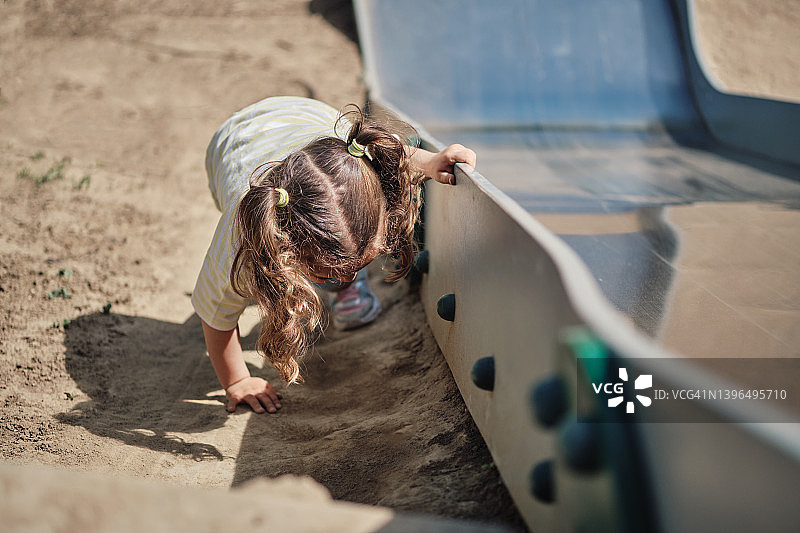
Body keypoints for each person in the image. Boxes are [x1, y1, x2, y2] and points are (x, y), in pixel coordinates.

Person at [192, 96, 476, 414]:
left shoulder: (358, 162)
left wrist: (432, 160)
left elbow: (389, 155)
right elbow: (216, 316)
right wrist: (236, 380)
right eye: (329, 272)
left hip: (310, 115)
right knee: (256, 277)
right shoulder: (239, 244)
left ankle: (339, 260)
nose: (346, 278)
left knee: (339, 248)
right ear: (285, 243)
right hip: (233, 143)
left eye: (360, 265)